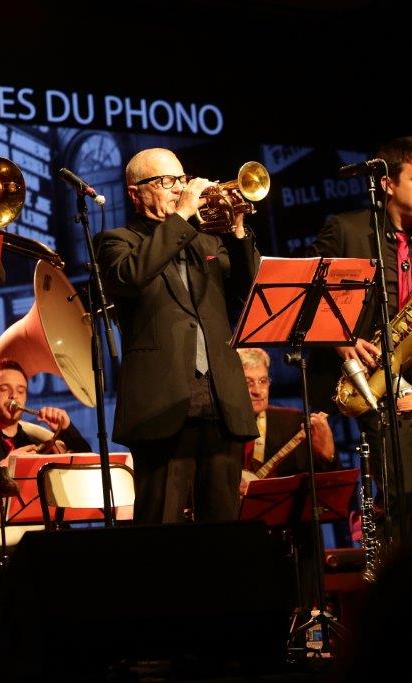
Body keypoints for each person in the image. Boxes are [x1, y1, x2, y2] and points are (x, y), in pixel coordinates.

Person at [307, 136, 412, 539]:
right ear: (388, 184)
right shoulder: (345, 229)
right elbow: (310, 304)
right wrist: (344, 342)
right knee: (399, 499)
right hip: (378, 380)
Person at [96, 147, 259, 524]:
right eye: (166, 181)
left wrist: (236, 230)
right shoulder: (117, 242)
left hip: (221, 399)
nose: (178, 189)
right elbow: (131, 277)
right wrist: (184, 215)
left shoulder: (209, 242)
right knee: (161, 526)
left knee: (223, 528)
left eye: (182, 180)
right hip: (161, 404)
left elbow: (250, 293)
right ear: (136, 193)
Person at [0, 358, 90, 590]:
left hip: (35, 535)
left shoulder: (37, 440)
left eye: (21, 390)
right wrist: (1, 470)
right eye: (4, 389)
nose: (14, 397)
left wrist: (66, 429)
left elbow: (85, 473)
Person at [236, 347, 335, 483]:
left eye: (263, 381)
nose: (258, 391)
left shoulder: (295, 423)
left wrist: (328, 457)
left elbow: (325, 487)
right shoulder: (213, 428)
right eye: (248, 382)